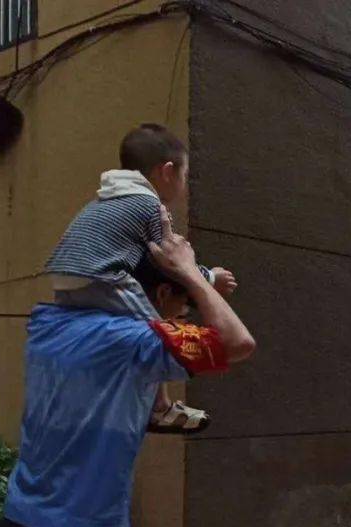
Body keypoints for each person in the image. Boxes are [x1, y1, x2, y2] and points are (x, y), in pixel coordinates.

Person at [0, 208, 255, 527]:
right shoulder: (133, 340)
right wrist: (188, 275)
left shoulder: (49, 325)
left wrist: (194, 279)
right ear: (158, 298)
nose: (183, 319)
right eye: (180, 309)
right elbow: (236, 343)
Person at [45, 123, 238, 433]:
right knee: (156, 331)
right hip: (100, 277)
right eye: (185, 177)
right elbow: (168, 259)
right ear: (167, 171)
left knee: (112, 335)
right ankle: (159, 407)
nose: (185, 185)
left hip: (66, 279)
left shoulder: (103, 202)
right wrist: (209, 278)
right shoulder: (149, 205)